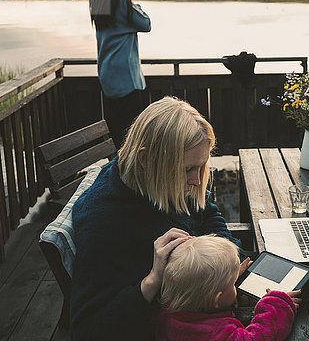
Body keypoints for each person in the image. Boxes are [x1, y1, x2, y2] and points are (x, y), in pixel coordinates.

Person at [70, 96, 243, 340]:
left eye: (200, 167)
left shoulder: (156, 180)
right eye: (187, 169)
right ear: (145, 160)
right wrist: (152, 281)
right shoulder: (104, 224)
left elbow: (207, 213)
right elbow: (88, 329)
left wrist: (228, 259)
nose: (195, 180)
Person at [157, 235, 300, 341]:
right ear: (217, 299)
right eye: (233, 283)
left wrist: (230, 293)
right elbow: (259, 337)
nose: (235, 284)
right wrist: (276, 305)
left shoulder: (171, 312)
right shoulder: (218, 333)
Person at [89, 0, 151, 148]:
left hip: (108, 78)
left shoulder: (95, 1)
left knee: (116, 133)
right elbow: (146, 24)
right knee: (135, 135)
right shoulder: (125, 4)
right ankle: (132, 174)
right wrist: (135, 4)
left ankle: (117, 172)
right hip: (128, 81)